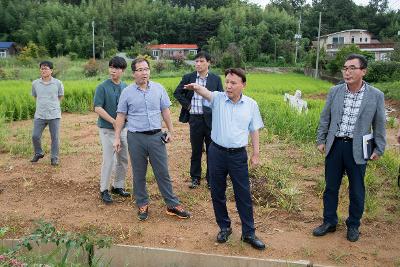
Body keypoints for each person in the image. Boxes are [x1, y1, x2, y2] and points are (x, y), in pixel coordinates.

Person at [184, 68, 266, 250]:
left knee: (243, 194)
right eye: (227, 81)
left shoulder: (251, 104)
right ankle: (224, 227)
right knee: (217, 192)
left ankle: (249, 233)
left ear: (243, 85)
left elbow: (254, 130)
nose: (228, 86)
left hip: (238, 155)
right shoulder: (219, 99)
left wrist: (256, 153)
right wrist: (196, 87)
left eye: (233, 83)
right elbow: (206, 92)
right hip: (217, 153)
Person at [314, 54, 386, 242]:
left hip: (358, 148)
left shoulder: (376, 95)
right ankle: (329, 221)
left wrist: (379, 149)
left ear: (363, 71)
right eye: (345, 68)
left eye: (352, 68)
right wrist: (321, 140)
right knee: (330, 187)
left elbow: (379, 124)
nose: (347, 72)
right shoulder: (335, 91)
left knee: (356, 189)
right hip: (335, 145)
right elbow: (325, 118)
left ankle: (353, 224)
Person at [113, 57, 190, 221]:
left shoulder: (159, 88)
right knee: (139, 173)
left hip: (156, 137)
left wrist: (171, 130)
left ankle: (172, 204)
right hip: (136, 138)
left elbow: (165, 111)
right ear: (134, 73)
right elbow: (121, 115)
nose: (144, 73)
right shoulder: (127, 92)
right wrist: (117, 137)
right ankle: (142, 203)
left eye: (146, 69)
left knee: (162, 172)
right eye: (140, 70)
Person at [174, 51, 223, 189]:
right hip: (195, 119)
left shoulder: (215, 79)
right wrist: (188, 105)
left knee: (211, 150)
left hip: (210, 120)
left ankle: (210, 179)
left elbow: (220, 97)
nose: (198, 64)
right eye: (196, 61)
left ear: (209, 63)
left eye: (201, 61)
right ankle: (195, 178)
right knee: (196, 150)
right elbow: (177, 92)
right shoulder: (188, 77)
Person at [94, 56, 130, 204]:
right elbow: (97, 107)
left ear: (122, 70)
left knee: (123, 158)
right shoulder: (102, 87)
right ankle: (104, 189)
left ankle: (118, 186)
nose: (112, 70)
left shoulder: (126, 87)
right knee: (109, 159)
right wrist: (113, 121)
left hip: (123, 130)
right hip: (107, 129)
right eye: (111, 67)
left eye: (116, 68)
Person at [30, 61, 64, 166]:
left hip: (54, 115)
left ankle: (54, 158)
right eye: (42, 68)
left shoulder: (58, 83)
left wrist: (53, 106)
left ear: (51, 70)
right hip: (40, 114)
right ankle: (39, 152)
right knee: (35, 136)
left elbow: (60, 96)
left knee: (55, 137)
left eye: (46, 68)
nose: (43, 70)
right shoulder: (35, 83)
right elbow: (35, 96)